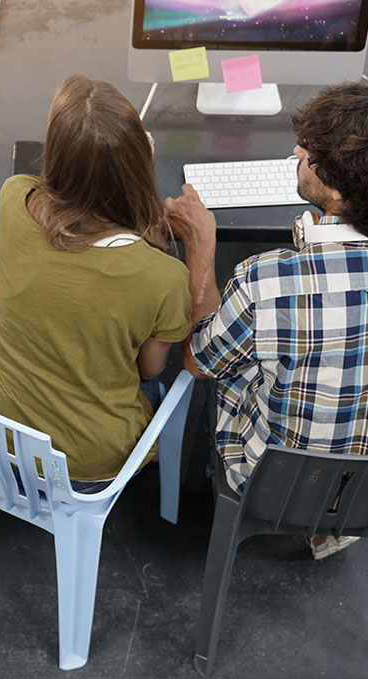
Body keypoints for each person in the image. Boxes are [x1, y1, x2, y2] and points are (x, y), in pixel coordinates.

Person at [168, 82, 368, 559]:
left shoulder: (268, 279)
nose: (297, 151)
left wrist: (201, 247)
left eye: (309, 151)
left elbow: (197, 362)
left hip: (274, 486)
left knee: (236, 353)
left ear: (336, 188)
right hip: (362, 494)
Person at [0, 75, 192, 491]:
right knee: (157, 387)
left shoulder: (14, 196)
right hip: (88, 468)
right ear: (139, 165)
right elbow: (149, 369)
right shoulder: (163, 277)